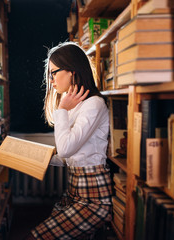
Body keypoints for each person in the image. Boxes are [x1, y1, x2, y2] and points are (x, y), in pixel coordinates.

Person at [27, 42, 112, 239]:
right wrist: (38, 155)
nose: (51, 79)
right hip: (75, 192)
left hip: (94, 199)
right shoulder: (75, 106)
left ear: (72, 71)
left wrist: (62, 110)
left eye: (54, 72)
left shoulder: (94, 104)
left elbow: (65, 149)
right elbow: (71, 156)